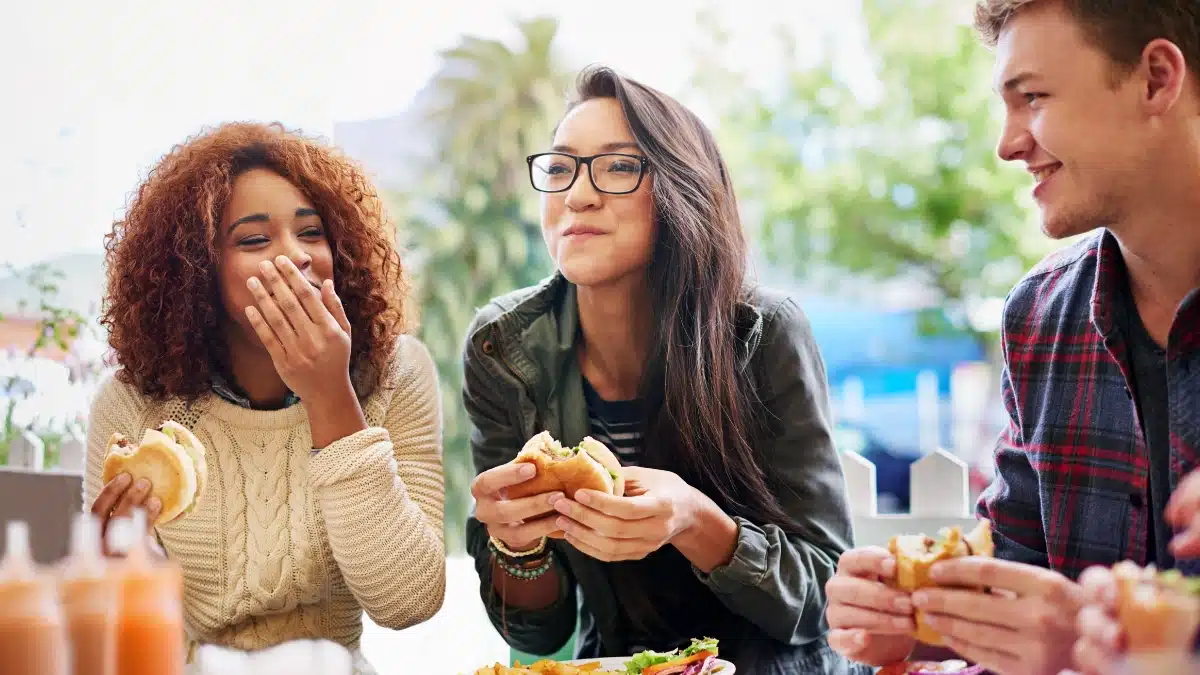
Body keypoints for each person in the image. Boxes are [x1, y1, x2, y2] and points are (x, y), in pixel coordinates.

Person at [824, 1, 1200, 673]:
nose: (1007, 143)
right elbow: (1019, 573)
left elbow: (1062, 634)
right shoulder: (1039, 314)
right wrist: (918, 626)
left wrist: (1092, 646)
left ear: (1155, 80)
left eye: (1033, 98)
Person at [461, 65, 859, 674]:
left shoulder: (763, 332)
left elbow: (825, 599)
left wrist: (695, 522)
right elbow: (539, 635)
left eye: (619, 167)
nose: (577, 195)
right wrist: (519, 545)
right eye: (561, 168)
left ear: (682, 190)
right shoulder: (503, 350)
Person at [84, 122, 446, 674]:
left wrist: (331, 398)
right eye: (254, 240)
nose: (294, 257)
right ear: (197, 269)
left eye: (312, 233)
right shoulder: (135, 406)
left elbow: (408, 600)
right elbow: (123, 626)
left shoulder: (396, 374)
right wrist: (123, 571)